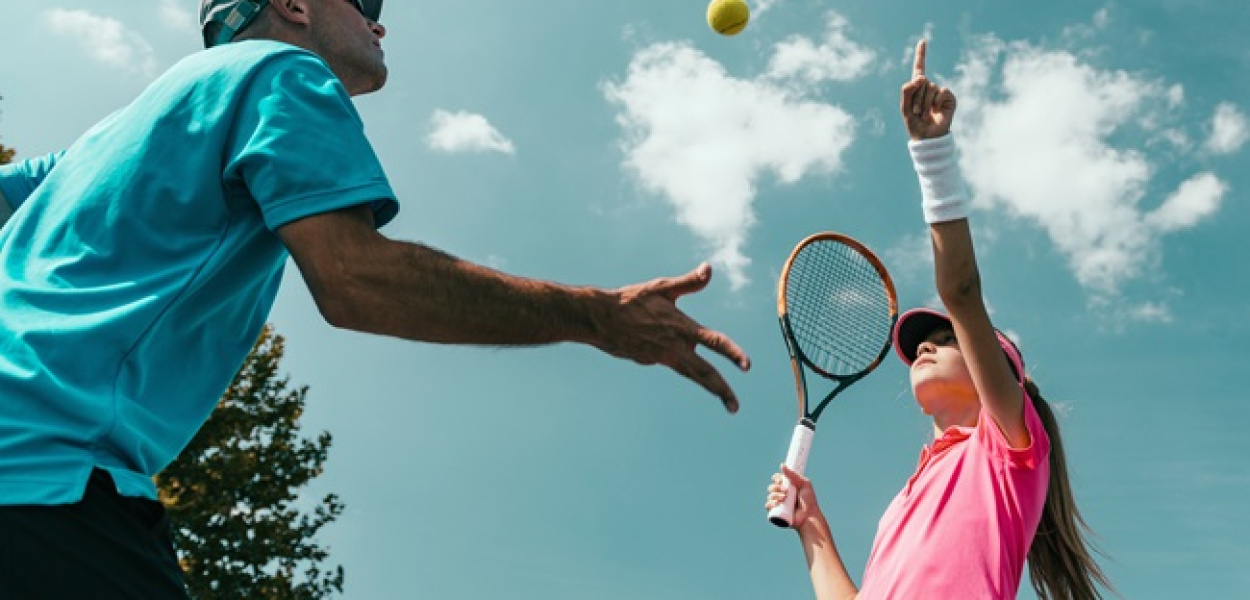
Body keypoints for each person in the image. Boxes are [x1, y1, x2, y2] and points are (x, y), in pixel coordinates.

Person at [0, 1, 751, 597]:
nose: (379, 20)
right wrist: (597, 316)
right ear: (292, 3)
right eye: (363, 2)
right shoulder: (280, 73)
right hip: (47, 479)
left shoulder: (106, 138)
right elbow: (356, 280)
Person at [763, 40, 1111, 599]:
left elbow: (961, 291)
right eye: (926, 342)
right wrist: (812, 526)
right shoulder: (908, 497)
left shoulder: (1007, 449)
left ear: (1001, 375)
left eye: (948, 340)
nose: (926, 347)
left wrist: (933, 154)